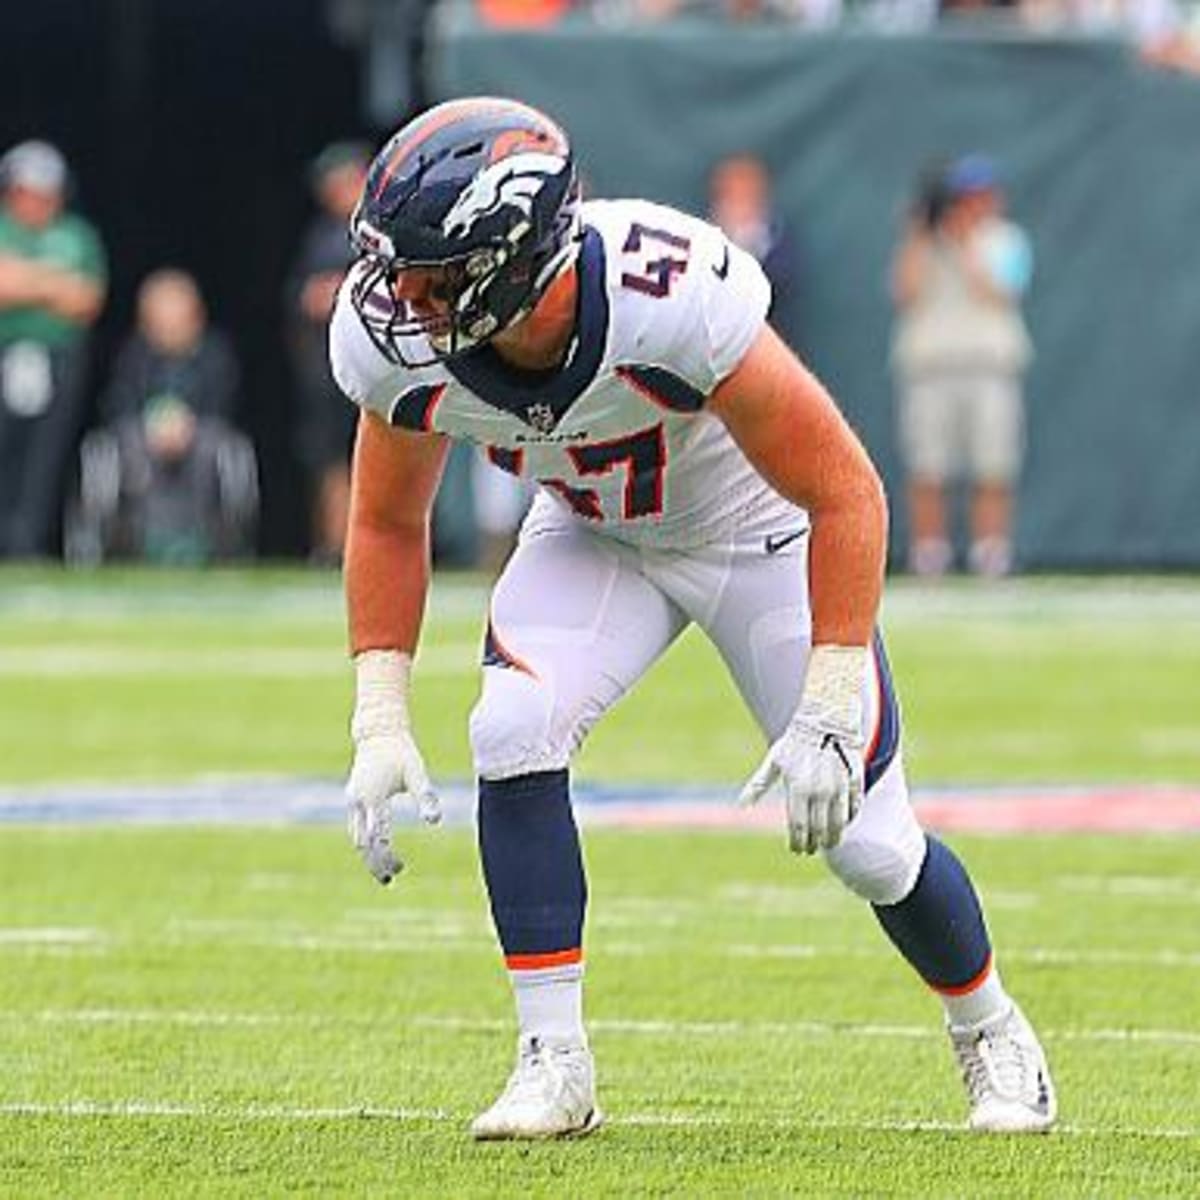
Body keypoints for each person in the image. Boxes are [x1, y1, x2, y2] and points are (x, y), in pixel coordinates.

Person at [330, 97, 1056, 1140]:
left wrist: (831, 695)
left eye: (429, 274)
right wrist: (379, 710)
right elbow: (388, 519)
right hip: (593, 531)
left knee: (867, 842)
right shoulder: (399, 342)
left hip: (752, 529)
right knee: (509, 729)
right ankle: (553, 1062)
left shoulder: (663, 294)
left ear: (512, 263)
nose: (397, 296)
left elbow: (846, 490)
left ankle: (990, 1028)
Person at [890, 155, 1033, 578]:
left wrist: (965, 241)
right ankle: (929, 554)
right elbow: (906, 292)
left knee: (994, 463)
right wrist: (921, 234)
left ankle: (991, 552)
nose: (971, 206)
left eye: (979, 197)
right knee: (927, 465)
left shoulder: (1007, 240)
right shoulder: (922, 244)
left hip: (989, 367)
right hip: (931, 367)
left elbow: (998, 291)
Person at [81, 268, 256, 564]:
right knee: (127, 448)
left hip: (201, 439)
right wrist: (152, 427)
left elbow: (224, 407)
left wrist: (189, 426)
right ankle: (136, 538)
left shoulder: (215, 356)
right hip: (141, 442)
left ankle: (205, 541)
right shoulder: (133, 356)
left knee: (214, 448)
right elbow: (118, 406)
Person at [0, 140, 106, 558]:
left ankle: (26, 545)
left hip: (60, 359)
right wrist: (52, 282)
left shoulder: (75, 235)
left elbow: (86, 298)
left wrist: (23, 279)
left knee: (44, 458)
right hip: (6, 351)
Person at [286, 141, 372, 564]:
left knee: (378, 457)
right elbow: (302, 297)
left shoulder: (385, 230)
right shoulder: (321, 235)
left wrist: (342, 293)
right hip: (326, 370)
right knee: (329, 457)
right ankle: (335, 545)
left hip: (379, 369)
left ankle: (372, 544)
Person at [707, 152, 799, 345]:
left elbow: (780, 281)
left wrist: (746, 240)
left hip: (766, 345)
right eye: (730, 193)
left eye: (745, 193)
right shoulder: (704, 238)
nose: (738, 201)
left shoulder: (778, 238)